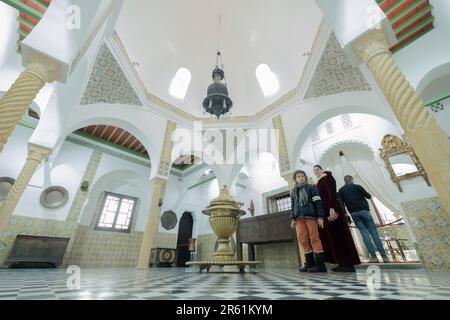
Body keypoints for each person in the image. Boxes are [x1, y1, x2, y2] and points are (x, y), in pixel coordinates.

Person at [313, 165, 361, 272]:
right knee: (334, 237)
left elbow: (332, 193)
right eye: (314, 171)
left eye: (317, 169)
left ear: (322, 170)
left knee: (340, 235)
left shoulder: (327, 177)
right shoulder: (319, 182)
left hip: (332, 209)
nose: (316, 172)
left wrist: (332, 208)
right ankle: (341, 262)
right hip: (326, 211)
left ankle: (348, 263)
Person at [338, 175, 389, 263]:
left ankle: (373, 257)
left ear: (345, 181)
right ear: (352, 180)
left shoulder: (341, 190)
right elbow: (368, 196)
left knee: (365, 235)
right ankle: (384, 257)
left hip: (353, 213)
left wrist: (345, 214)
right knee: (374, 234)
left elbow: (341, 204)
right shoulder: (358, 186)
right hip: (365, 211)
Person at [290, 170, 327, 273]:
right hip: (298, 219)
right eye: (298, 176)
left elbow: (318, 202)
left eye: (302, 176)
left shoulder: (311, 187)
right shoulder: (293, 191)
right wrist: (292, 218)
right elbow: (293, 206)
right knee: (302, 240)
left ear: (305, 178)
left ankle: (320, 265)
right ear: (295, 179)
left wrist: (320, 217)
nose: (301, 178)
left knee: (314, 238)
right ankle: (310, 263)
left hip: (310, 216)